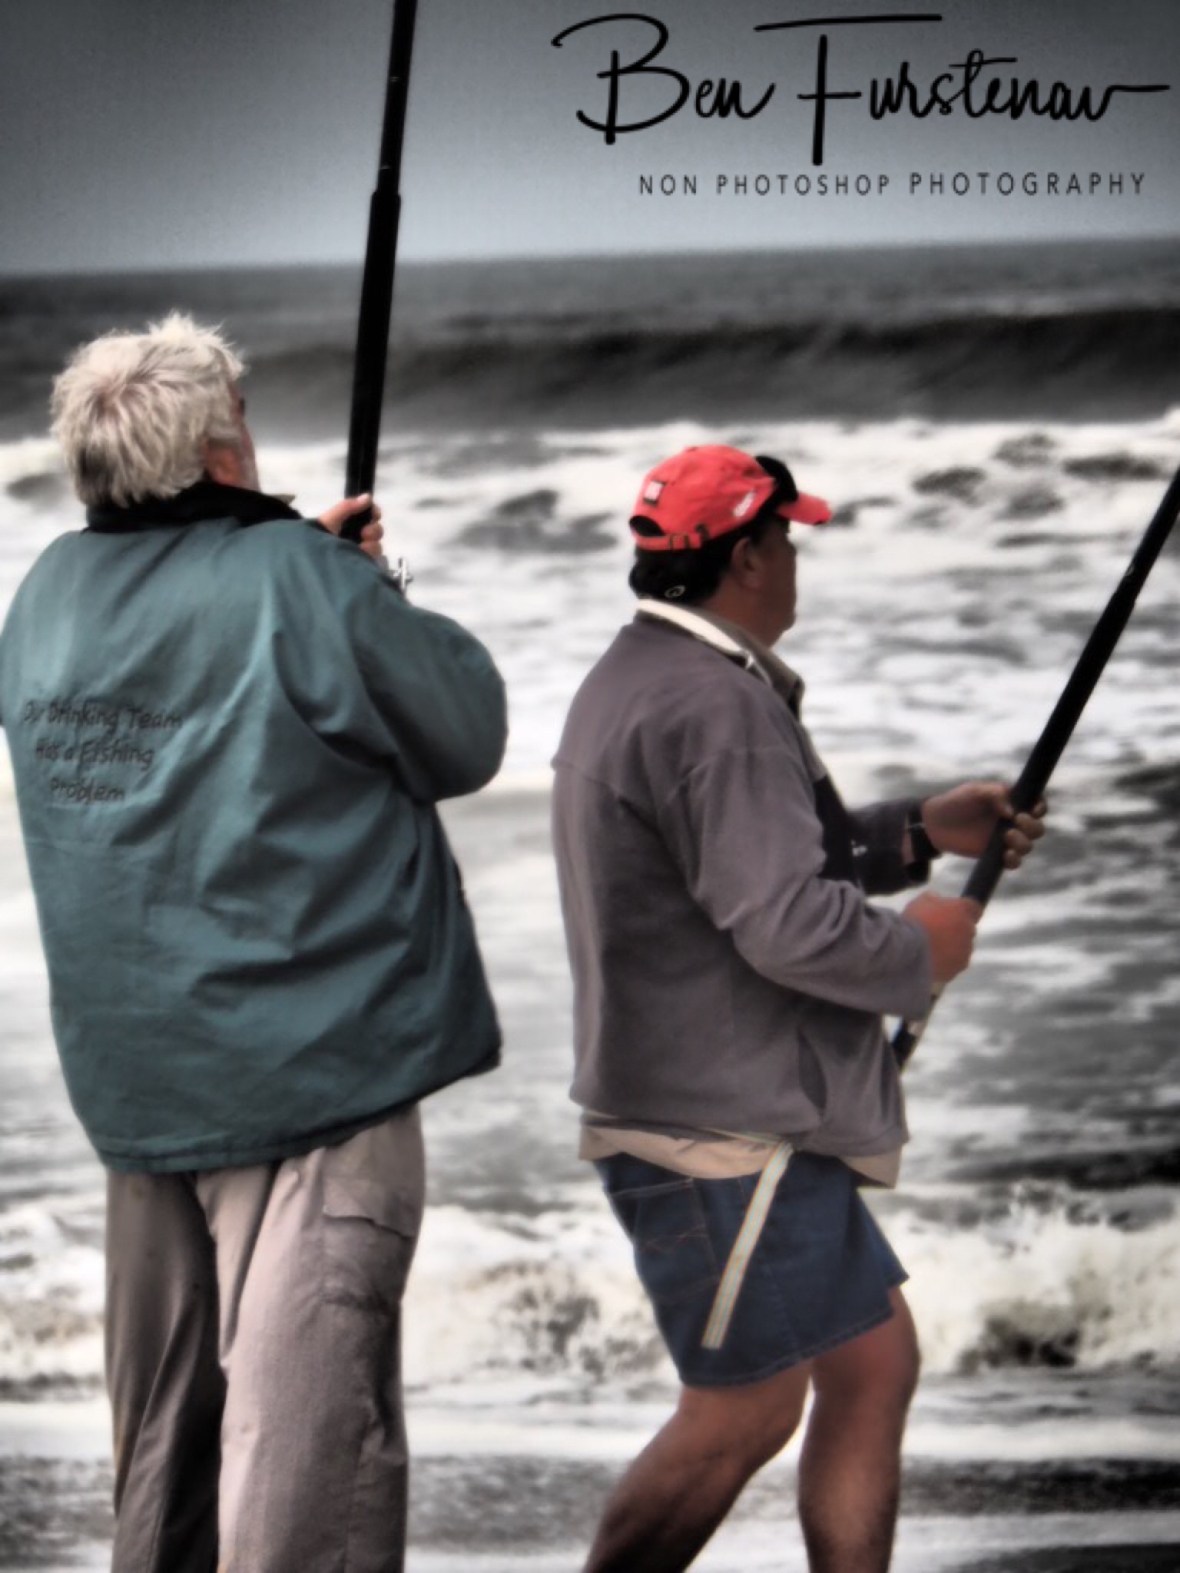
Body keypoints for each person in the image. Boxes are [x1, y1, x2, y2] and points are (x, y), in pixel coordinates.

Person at [0, 314, 507, 1572]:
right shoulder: (299, 580)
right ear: (223, 450)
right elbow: (463, 729)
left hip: (138, 1085)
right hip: (314, 1073)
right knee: (308, 1460)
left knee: (164, 1462)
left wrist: (308, 570)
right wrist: (358, 586)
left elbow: (193, 677)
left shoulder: (44, 593)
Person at [551, 445, 1046, 1573]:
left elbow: (764, 862)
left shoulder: (644, 674)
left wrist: (922, 829)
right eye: (784, 539)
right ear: (743, 556)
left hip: (720, 1113)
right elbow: (783, 921)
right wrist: (919, 949)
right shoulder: (715, 706)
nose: (792, 560)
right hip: (721, 1134)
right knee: (744, 1411)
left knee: (872, 1361)